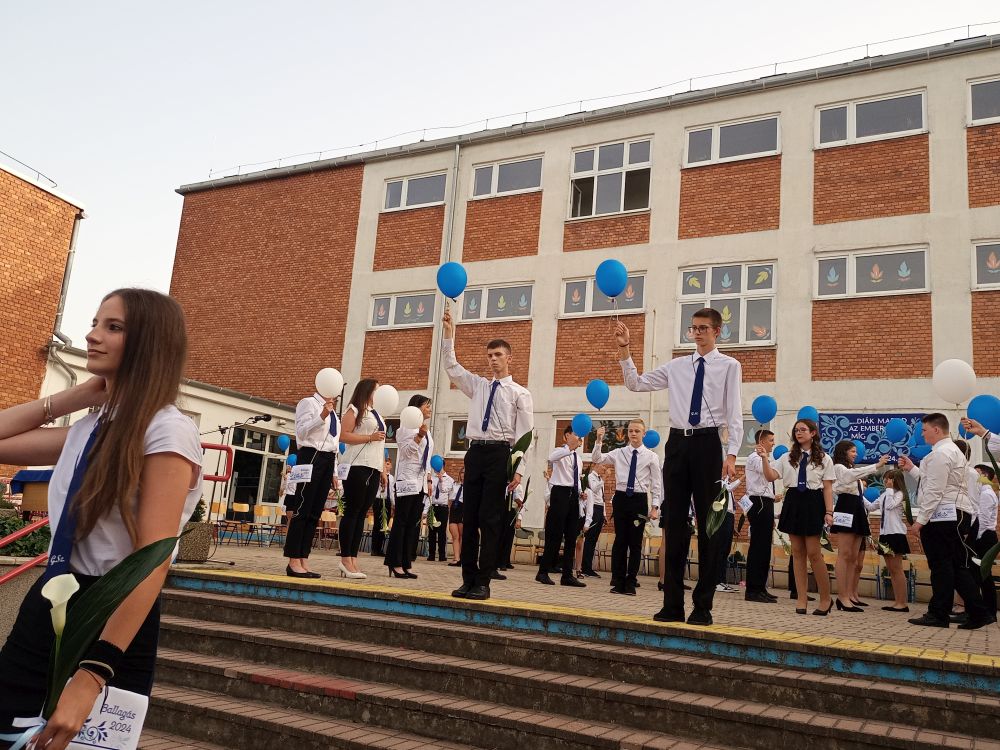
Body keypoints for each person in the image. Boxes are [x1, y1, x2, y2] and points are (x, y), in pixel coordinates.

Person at [0, 289, 203, 748]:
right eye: (95, 323)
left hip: (112, 612)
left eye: (113, 327)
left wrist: (93, 675)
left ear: (150, 343)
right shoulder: (90, 426)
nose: (92, 335)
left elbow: (151, 561)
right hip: (51, 598)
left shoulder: (167, 431)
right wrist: (73, 397)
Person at [615, 307, 743, 626]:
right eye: (693, 328)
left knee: (709, 526)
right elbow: (636, 383)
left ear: (717, 331)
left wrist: (731, 455)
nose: (697, 333)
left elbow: (735, 412)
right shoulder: (677, 366)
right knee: (674, 525)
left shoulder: (729, 366)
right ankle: (672, 604)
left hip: (708, 444)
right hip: (677, 443)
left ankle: (702, 606)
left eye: (703, 328)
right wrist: (625, 348)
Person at [441, 305, 534, 601]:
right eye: (490, 355)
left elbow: (525, 436)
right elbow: (452, 367)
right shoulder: (478, 386)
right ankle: (467, 579)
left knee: (490, 519)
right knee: (469, 518)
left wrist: (519, 470)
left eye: (498, 355)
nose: (493, 359)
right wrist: (449, 334)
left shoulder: (520, 393)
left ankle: (484, 581)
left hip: (499, 455)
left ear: (509, 358)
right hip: (476, 453)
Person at [901, 413, 990, 629]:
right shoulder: (948, 452)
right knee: (955, 566)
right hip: (951, 514)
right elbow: (935, 481)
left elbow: (935, 489)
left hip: (944, 515)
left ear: (936, 430)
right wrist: (912, 469)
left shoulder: (941, 453)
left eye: (924, 430)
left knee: (942, 565)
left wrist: (921, 520)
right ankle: (977, 612)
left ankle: (940, 613)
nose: (922, 434)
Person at [591, 421, 662, 596]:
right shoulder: (619, 452)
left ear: (644, 434)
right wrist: (598, 440)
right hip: (621, 498)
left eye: (637, 431)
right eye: (630, 431)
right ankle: (618, 580)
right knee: (620, 541)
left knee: (635, 543)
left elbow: (656, 484)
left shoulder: (651, 457)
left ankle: (631, 582)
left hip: (639, 499)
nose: (633, 434)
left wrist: (655, 507)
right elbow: (597, 459)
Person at [774, 419, 836, 617]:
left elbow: (827, 488)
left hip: (813, 501)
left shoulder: (824, 458)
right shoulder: (786, 457)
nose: (798, 433)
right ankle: (801, 598)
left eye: (803, 430)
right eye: (796, 430)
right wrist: (764, 459)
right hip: (793, 500)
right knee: (797, 552)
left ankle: (825, 598)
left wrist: (829, 512)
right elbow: (770, 476)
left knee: (814, 553)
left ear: (813, 433)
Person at [284, 387, 341, 578]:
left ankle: (303, 557)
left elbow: (333, 443)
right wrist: (322, 416)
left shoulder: (334, 412)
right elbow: (301, 432)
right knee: (302, 509)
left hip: (327, 459)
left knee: (315, 512)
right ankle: (293, 559)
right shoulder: (308, 403)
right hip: (310, 455)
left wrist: (334, 472)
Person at [830, 440, 889, 611]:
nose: (856, 454)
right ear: (844, 452)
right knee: (844, 554)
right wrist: (877, 465)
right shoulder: (839, 468)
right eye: (853, 451)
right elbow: (850, 475)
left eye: (856, 451)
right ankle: (842, 596)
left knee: (853, 557)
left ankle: (849, 594)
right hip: (846, 506)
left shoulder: (850, 470)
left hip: (857, 507)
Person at [337, 379, 387, 579]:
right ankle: (345, 558)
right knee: (353, 511)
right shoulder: (355, 409)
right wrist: (369, 437)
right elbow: (343, 435)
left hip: (374, 466)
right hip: (357, 465)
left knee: (362, 514)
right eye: (376, 390)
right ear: (367, 391)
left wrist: (383, 470)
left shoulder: (377, 413)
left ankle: (353, 557)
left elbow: (380, 444)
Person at [385, 395, 432, 579]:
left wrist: (429, 480)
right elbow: (405, 452)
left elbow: (427, 457)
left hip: (420, 482)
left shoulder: (426, 429)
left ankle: (406, 562)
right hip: (407, 480)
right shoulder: (405, 428)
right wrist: (419, 436)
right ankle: (395, 562)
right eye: (426, 406)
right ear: (416, 408)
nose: (429, 409)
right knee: (401, 522)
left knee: (413, 524)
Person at [537, 425, 586, 587]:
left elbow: (576, 479)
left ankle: (567, 575)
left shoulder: (578, 458)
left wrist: (581, 493)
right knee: (555, 535)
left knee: (571, 536)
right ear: (566, 436)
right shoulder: (560, 452)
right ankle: (543, 572)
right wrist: (569, 448)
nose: (579, 438)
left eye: (580, 436)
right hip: (560, 494)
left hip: (573, 496)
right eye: (576, 434)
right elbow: (551, 458)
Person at [865, 468, 911, 612]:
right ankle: (897, 602)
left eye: (889, 478)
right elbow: (871, 507)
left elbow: (891, 506)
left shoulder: (900, 494)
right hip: (885, 534)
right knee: (891, 569)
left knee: (897, 569)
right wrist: (859, 494)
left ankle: (902, 603)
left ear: (896, 480)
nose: (886, 481)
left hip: (896, 533)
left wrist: (890, 490)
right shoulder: (885, 494)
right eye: (885, 478)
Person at [744, 430, 780, 603]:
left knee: (765, 547)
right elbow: (768, 474)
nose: (773, 443)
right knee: (758, 546)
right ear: (762, 441)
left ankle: (760, 587)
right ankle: (753, 589)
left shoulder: (764, 459)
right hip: (759, 503)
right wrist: (766, 459)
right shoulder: (755, 458)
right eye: (771, 440)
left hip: (765, 502)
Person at [973, 464, 998, 620]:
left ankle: (989, 611)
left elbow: (983, 519)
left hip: (985, 537)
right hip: (983, 536)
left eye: (976, 473)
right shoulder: (981, 492)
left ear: (984, 475)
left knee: (984, 575)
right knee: (979, 575)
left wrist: (976, 538)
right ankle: (984, 610)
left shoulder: (986, 494)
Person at [580, 463, 605, 578]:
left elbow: (602, 498)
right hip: (593, 508)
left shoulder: (600, 478)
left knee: (594, 539)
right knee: (590, 538)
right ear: (596, 465)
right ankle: (585, 568)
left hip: (600, 508)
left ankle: (589, 567)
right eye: (602, 465)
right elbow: (594, 489)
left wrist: (604, 514)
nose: (604, 468)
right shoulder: (590, 477)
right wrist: (604, 479)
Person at [425, 467, 454, 561]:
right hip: (432, 506)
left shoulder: (449, 480)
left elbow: (446, 492)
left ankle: (442, 555)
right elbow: (429, 493)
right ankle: (431, 554)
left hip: (443, 507)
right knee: (432, 531)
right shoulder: (431, 478)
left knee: (442, 532)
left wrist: (441, 480)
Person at [497, 483, 524, 575]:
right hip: (500, 511)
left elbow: (521, 504)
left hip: (511, 512)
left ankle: (504, 562)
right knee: (499, 537)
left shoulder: (518, 486)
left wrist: (519, 519)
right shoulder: (501, 483)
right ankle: (497, 560)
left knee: (508, 538)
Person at [370, 458, 394, 556]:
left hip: (387, 501)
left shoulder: (392, 478)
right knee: (377, 524)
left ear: (391, 466)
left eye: (388, 464)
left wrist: (393, 504)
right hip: (379, 500)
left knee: (385, 525)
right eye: (385, 464)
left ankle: (380, 548)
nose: (387, 466)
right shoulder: (378, 475)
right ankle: (374, 549)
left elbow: (392, 492)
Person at [448, 468, 465, 566]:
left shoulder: (470, 486)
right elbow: (450, 499)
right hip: (454, 508)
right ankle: (456, 558)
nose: (463, 475)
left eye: (465, 473)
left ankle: (461, 558)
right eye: (462, 472)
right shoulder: (454, 484)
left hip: (463, 509)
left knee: (462, 535)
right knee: (455, 535)